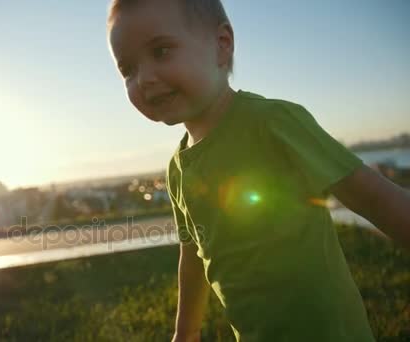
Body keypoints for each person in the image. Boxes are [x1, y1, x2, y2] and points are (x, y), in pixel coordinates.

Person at [106, 1, 410, 341]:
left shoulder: (274, 123)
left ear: (222, 45)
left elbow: (373, 197)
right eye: (128, 69)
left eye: (161, 51)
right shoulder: (177, 168)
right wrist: (185, 332)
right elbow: (192, 256)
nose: (145, 78)